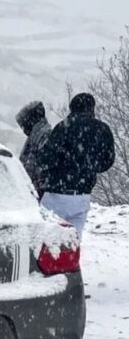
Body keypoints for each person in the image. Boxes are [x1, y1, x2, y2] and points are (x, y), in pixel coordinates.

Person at [39, 93, 115, 237]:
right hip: (82, 195)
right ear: (92, 108)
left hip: (56, 193)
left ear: (72, 108)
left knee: (47, 242)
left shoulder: (62, 127)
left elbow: (46, 159)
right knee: (73, 243)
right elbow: (108, 161)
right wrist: (89, 166)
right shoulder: (102, 129)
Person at [16, 101, 51, 198]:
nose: (23, 130)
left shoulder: (44, 137)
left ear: (32, 121)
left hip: (38, 193)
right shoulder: (35, 136)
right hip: (33, 190)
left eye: (24, 125)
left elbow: (43, 168)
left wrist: (36, 188)